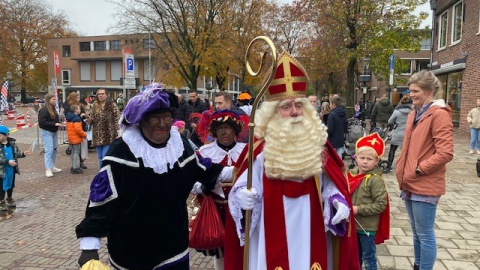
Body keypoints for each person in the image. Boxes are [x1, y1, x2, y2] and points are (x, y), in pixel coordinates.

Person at [75, 83, 234, 270]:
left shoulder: (179, 144)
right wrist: (90, 244)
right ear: (141, 120)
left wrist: (245, 170)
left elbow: (205, 170)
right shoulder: (122, 150)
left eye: (166, 116)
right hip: (131, 251)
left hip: (174, 247)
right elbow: (102, 198)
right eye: (155, 117)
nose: (162, 123)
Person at [227, 52, 359, 270]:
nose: (295, 112)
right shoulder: (260, 148)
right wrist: (242, 195)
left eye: (298, 105)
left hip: (312, 225)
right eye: (286, 107)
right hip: (270, 226)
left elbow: (329, 184)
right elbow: (245, 182)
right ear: (273, 113)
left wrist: (337, 200)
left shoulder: (317, 144)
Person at [396, 70, 454, 270]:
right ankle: (418, 265)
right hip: (409, 180)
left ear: (429, 91)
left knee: (425, 233)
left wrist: (419, 170)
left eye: (415, 91)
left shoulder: (439, 114)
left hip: (424, 182)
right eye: (410, 90)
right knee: (415, 231)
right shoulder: (415, 113)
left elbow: (445, 153)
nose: (411, 94)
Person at [190, 109, 249, 270]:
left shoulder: (247, 151)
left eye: (228, 128)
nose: (224, 132)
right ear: (214, 132)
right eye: (220, 128)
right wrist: (199, 187)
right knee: (220, 252)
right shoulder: (204, 152)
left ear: (235, 131)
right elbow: (193, 178)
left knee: (244, 251)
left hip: (242, 212)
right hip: (218, 211)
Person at [347, 132, 389, 270]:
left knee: (369, 257)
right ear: (356, 158)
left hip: (367, 228)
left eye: (369, 159)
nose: (365, 161)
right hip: (352, 225)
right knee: (355, 256)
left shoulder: (375, 180)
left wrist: (359, 209)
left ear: (376, 161)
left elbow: (381, 204)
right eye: (362, 158)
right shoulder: (351, 175)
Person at [0, 126, 30, 211]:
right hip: (2, 170)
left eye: (1, 135)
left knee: (11, 184)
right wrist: (7, 162)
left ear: (7, 135)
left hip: (11, 169)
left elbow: (17, 153)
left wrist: (23, 154)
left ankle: (9, 199)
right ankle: (1, 202)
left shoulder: (12, 143)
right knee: (1, 186)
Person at [88, 89, 120, 168]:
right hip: (97, 134)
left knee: (105, 156)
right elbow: (92, 119)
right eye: (99, 94)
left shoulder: (112, 105)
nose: (100, 95)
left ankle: (105, 173)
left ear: (106, 95)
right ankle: (102, 172)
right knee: (100, 157)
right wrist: (89, 119)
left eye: (102, 94)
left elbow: (117, 119)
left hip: (109, 134)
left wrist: (117, 132)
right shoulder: (95, 105)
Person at [38, 93, 63, 177]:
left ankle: (52, 166)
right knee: (49, 150)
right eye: (53, 99)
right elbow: (41, 122)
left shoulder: (53, 109)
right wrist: (54, 124)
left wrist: (59, 123)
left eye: (55, 99)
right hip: (47, 132)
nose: (55, 101)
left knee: (55, 148)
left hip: (54, 132)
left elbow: (54, 120)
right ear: (48, 100)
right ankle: (48, 169)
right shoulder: (44, 110)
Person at [386, 95, 412, 172]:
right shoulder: (413, 112)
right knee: (407, 151)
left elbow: (390, 121)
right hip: (408, 134)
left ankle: (389, 165)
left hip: (397, 133)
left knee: (392, 149)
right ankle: (406, 165)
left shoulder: (397, 111)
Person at [65, 92, 88, 169]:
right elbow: (77, 128)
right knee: (76, 151)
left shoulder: (79, 107)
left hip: (74, 133)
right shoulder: (69, 108)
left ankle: (78, 164)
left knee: (77, 150)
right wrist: (84, 134)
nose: (78, 99)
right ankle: (75, 167)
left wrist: (84, 116)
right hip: (77, 133)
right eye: (77, 97)